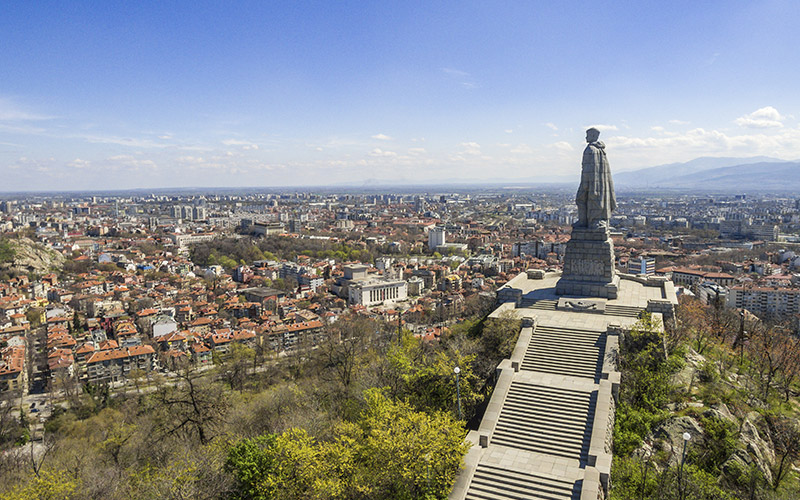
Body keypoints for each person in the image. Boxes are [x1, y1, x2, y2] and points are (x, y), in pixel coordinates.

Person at [576, 127, 616, 228]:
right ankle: (595, 220)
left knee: (581, 199)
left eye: (588, 135)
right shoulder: (601, 150)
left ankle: (587, 221)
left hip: (591, 182)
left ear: (593, 136)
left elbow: (589, 169)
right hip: (601, 183)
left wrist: (586, 185)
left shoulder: (590, 149)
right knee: (595, 200)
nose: (586, 137)